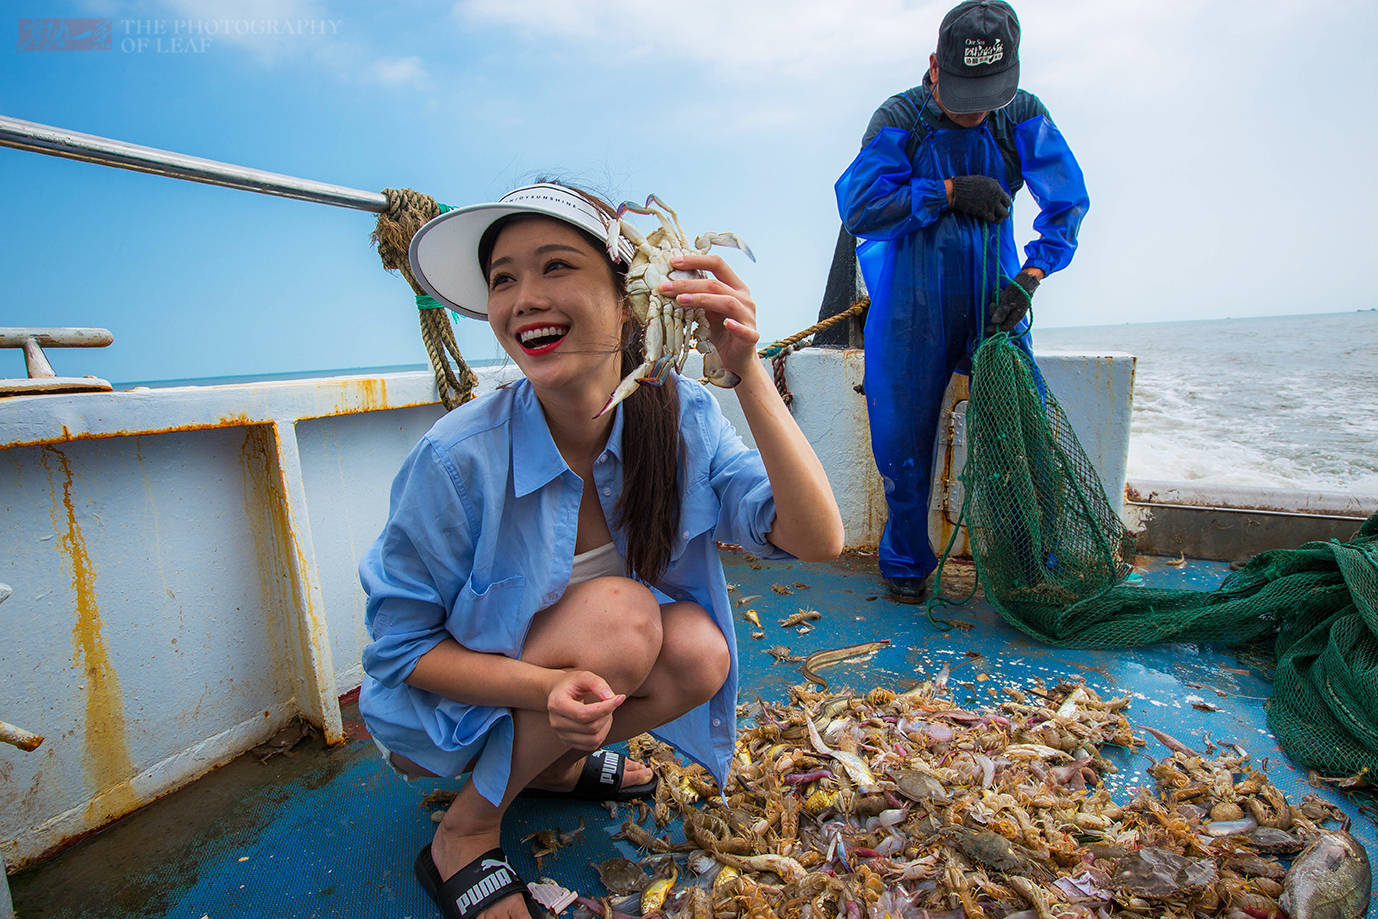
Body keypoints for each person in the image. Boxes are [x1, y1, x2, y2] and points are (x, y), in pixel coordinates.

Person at [357, 182, 844, 919]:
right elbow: (397, 659)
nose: (524, 298)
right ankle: (463, 832)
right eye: (503, 279)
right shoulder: (457, 459)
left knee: (701, 653)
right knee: (625, 617)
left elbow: (817, 536)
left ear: (629, 299)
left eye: (556, 266)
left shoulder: (681, 417)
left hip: (561, 692)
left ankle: (550, 769)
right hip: (446, 718)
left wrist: (745, 371)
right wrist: (541, 692)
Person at [832, 0, 1089, 603]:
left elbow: (1066, 205)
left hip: (994, 300)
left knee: (1020, 434)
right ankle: (905, 566)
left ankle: (1032, 565)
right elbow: (859, 207)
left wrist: (1029, 277)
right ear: (933, 66)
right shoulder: (901, 117)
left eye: (989, 93)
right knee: (902, 444)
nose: (975, 109)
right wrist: (947, 191)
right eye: (963, 91)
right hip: (909, 308)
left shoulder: (1021, 116)